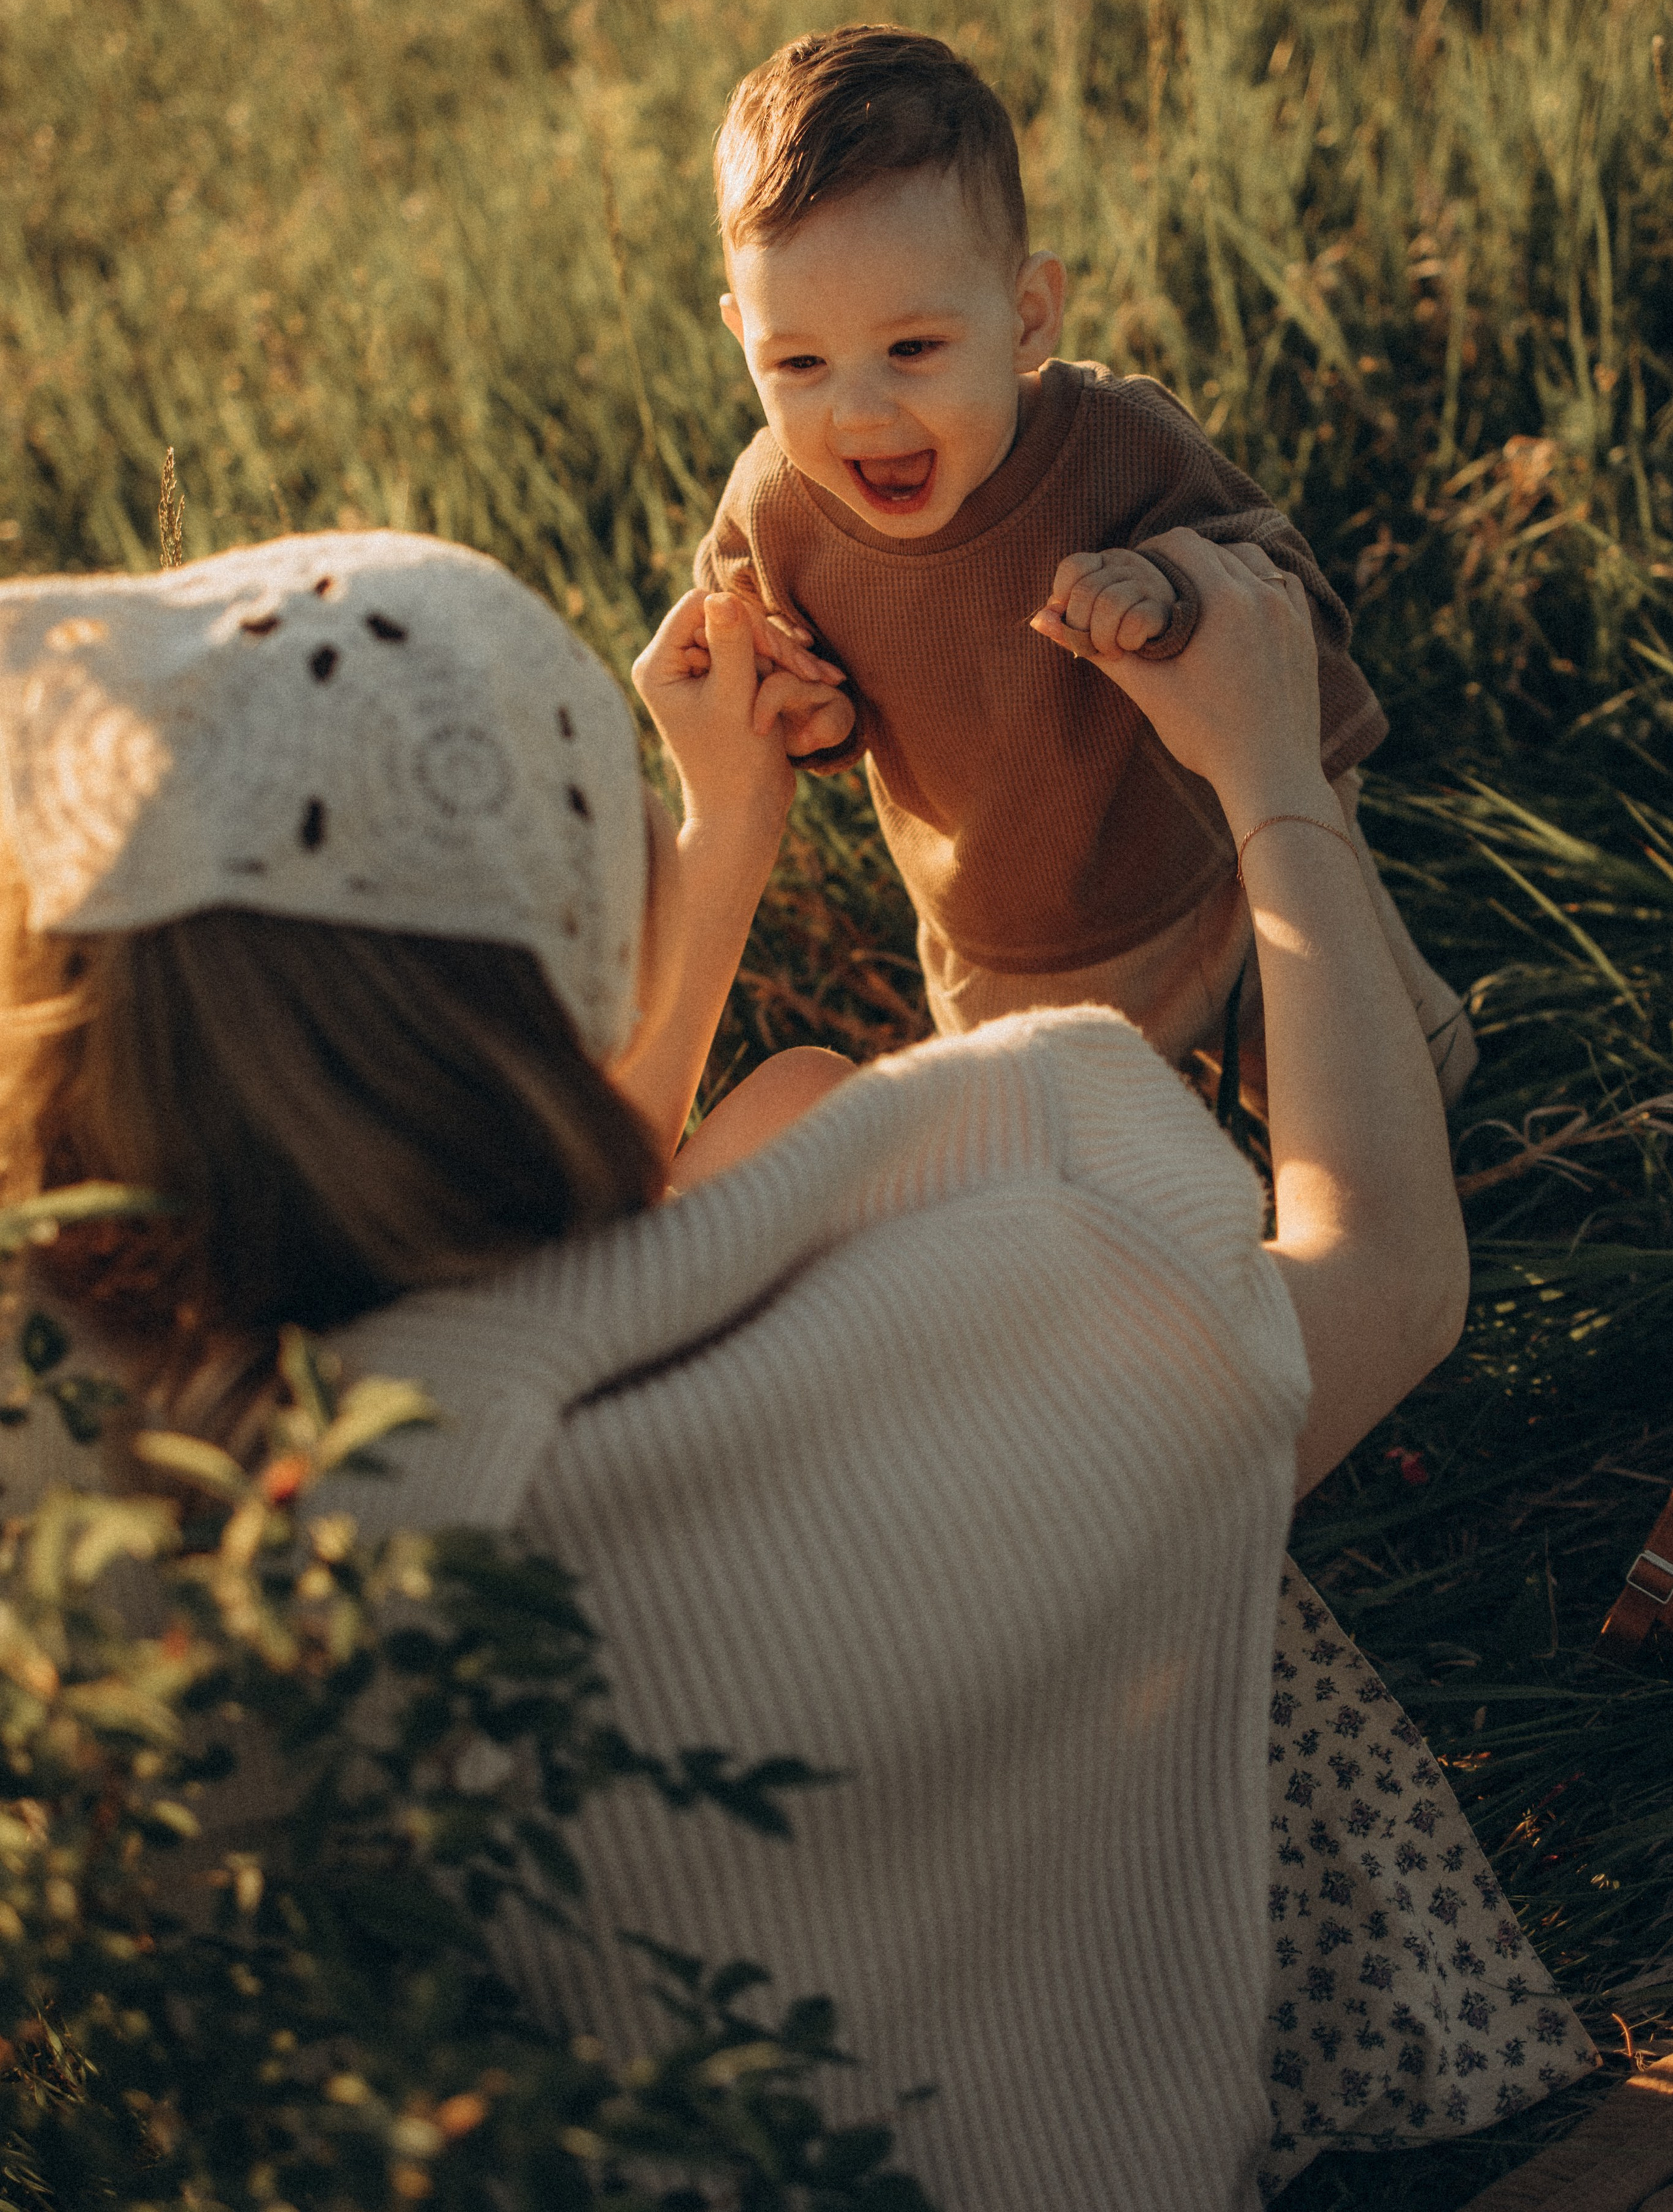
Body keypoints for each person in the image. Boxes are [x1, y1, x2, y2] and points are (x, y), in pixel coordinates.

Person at [0, 529, 1591, 2211]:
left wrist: (727, 831)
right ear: (557, 948)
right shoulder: (992, 1297)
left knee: (781, 1098)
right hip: (1086, 2144)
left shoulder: (117, 1531)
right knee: (847, 1136)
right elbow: (1386, 1279)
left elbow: (504, 1282)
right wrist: (1272, 779)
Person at [693, 23, 1476, 1114]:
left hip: (1225, 870)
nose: (860, 411)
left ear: (1027, 316)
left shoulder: (1118, 445)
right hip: (1010, 938)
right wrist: (810, 718)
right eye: (800, 363)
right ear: (743, 338)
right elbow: (786, 671)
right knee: (1072, 1188)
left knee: (1387, 1093)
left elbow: (1283, 588)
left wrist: (1175, 589)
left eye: (914, 349)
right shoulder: (774, 509)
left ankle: (1453, 1157)